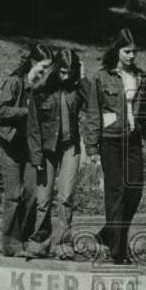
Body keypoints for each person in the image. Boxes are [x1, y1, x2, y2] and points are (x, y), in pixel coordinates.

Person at [82, 29, 146, 264]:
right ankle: (118, 251)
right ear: (117, 51)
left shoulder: (142, 78)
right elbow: (93, 113)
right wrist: (92, 147)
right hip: (111, 140)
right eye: (127, 51)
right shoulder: (101, 77)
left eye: (135, 52)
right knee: (116, 193)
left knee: (134, 191)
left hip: (133, 141)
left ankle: (108, 233)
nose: (132, 56)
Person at [23, 48, 89, 260]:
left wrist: (84, 78)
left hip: (70, 147)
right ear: (54, 69)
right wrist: (36, 156)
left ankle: (63, 244)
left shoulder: (77, 90)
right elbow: (33, 127)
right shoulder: (40, 91)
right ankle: (39, 242)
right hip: (46, 149)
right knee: (43, 199)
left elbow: (94, 105)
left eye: (69, 72)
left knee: (66, 196)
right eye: (61, 71)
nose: (65, 76)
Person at [0, 43, 55, 257]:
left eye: (49, 68)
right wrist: (26, 111)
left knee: (31, 193)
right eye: (43, 66)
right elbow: (1, 110)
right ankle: (11, 244)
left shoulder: (43, 87)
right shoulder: (15, 82)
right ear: (33, 63)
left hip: (31, 147)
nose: (45, 72)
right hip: (10, 145)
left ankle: (27, 239)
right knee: (13, 196)